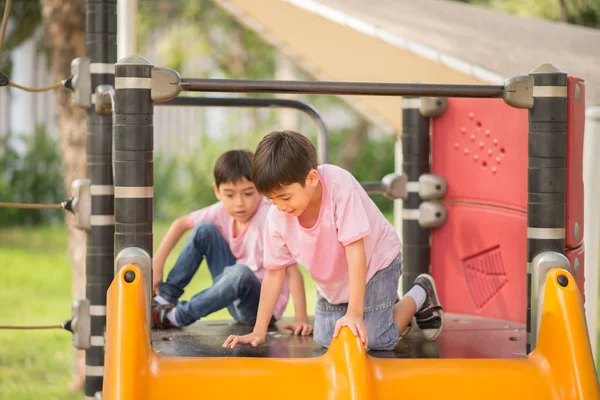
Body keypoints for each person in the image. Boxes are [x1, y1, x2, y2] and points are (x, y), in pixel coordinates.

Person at [223, 131, 443, 350]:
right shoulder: (277, 216)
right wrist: (259, 331)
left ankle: (420, 293)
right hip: (334, 277)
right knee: (328, 339)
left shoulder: (339, 186)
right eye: (271, 199)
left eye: (285, 197)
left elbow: (355, 249)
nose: (279, 206)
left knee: (374, 339)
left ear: (311, 179)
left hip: (375, 261)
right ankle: (385, 310)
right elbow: (274, 273)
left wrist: (355, 314)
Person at [151, 149, 312, 336]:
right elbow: (180, 224)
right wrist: (157, 262)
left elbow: (293, 273)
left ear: (260, 189)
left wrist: (301, 318)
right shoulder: (220, 211)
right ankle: (164, 299)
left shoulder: (269, 217)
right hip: (232, 291)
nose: (239, 203)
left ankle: (176, 317)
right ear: (217, 192)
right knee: (204, 230)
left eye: (248, 193)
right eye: (230, 195)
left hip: (259, 309)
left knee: (240, 273)